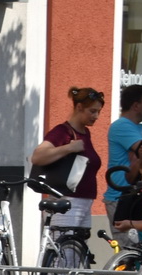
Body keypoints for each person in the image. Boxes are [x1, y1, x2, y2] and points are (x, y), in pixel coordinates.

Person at [30, 85, 104, 228]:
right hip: (66, 203)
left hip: (84, 203)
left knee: (78, 243)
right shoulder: (63, 131)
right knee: (64, 242)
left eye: (98, 112)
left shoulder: (85, 133)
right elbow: (38, 156)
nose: (96, 116)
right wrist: (69, 148)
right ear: (79, 107)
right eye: (92, 111)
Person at [102, 83, 142, 213]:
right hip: (120, 196)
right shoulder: (121, 125)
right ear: (136, 106)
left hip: (135, 194)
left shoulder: (141, 127)